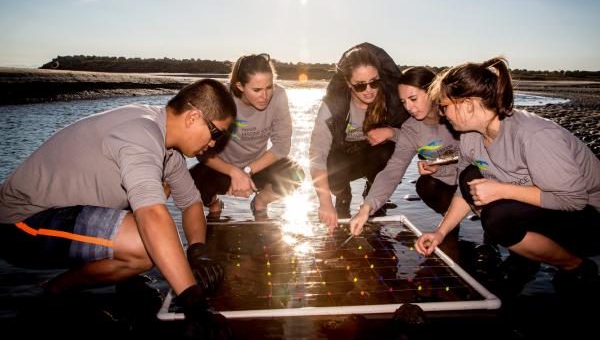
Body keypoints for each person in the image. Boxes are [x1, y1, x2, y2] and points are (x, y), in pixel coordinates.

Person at [0, 78, 236, 336]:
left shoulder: (168, 148)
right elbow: (152, 215)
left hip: (56, 218)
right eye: (216, 133)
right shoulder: (141, 134)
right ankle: (57, 290)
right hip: (18, 225)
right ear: (192, 117)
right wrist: (194, 303)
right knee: (145, 246)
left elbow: (191, 203)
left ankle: (55, 291)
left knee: (154, 244)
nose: (214, 144)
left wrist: (198, 252)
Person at [414, 57, 600, 295]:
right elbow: (464, 190)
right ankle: (525, 253)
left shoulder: (534, 135)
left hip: (589, 221)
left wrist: (501, 190)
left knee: (497, 216)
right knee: (468, 177)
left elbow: (573, 200)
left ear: (467, 103)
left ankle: (576, 266)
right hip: (549, 209)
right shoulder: (471, 135)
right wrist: (440, 232)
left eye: (444, 106)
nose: (441, 113)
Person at [189, 53, 304, 218]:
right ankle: (215, 205)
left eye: (269, 87)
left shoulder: (279, 96)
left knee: (295, 174)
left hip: (257, 167)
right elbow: (201, 150)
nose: (265, 96)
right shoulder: (221, 99)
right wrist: (234, 172)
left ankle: (260, 203)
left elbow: (282, 145)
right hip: (223, 169)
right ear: (240, 86)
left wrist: (247, 171)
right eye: (257, 90)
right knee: (188, 185)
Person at [310, 43, 409, 231]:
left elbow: (416, 137)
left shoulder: (394, 101)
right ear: (348, 83)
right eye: (361, 85)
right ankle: (343, 195)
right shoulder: (332, 105)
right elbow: (317, 155)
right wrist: (324, 202)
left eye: (375, 82)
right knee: (332, 169)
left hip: (375, 156)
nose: (369, 89)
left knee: (386, 151)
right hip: (343, 158)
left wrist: (391, 132)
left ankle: (373, 194)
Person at [349, 66, 460, 236]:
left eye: (413, 99)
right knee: (425, 185)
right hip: (449, 181)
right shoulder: (411, 129)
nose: (408, 107)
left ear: (432, 91)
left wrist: (442, 164)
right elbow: (393, 170)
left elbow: (476, 157)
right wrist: (367, 208)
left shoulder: (457, 114)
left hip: (478, 177)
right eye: (403, 102)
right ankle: (452, 220)